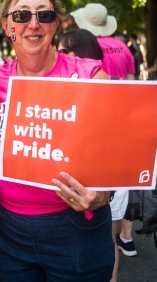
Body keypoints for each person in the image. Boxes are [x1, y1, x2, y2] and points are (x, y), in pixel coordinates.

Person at [0, 0, 114, 282]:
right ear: (7, 25)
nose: (33, 24)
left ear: (55, 24)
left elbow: (116, 152)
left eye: (44, 15)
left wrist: (104, 193)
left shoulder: (92, 77)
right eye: (21, 15)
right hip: (8, 231)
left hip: (76, 228)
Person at [57, 27, 134, 280]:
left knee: (107, 237)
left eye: (66, 50)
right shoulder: (63, 88)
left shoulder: (109, 87)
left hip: (109, 177)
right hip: (76, 179)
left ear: (84, 52)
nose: (60, 55)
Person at [71, 3, 135, 80]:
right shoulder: (123, 47)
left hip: (94, 91)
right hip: (122, 91)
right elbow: (131, 79)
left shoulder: (84, 47)